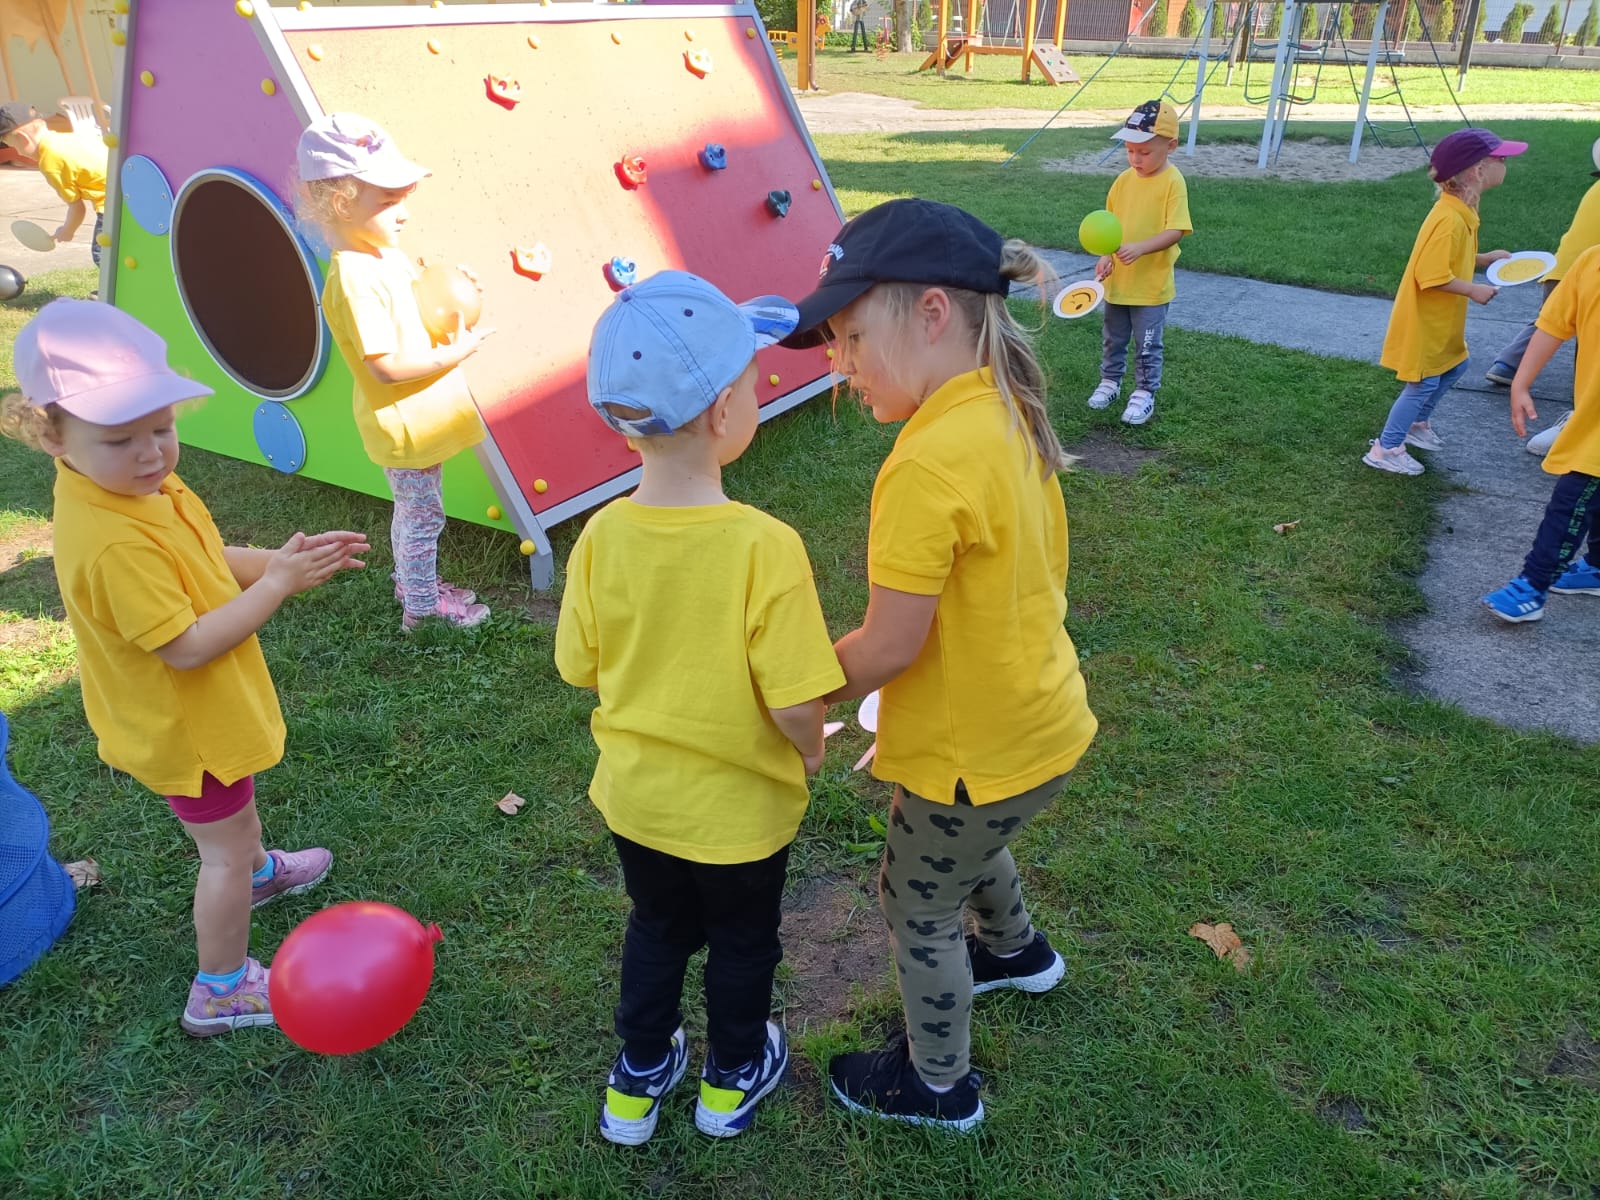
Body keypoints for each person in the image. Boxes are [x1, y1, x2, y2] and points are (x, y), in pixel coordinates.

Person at [780, 199, 1098, 1130]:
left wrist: (797, 690)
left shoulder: (925, 463)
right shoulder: (1004, 406)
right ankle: (1016, 953)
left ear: (930, 313)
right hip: (1040, 723)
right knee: (967, 847)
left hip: (974, 751)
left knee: (913, 900)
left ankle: (938, 1086)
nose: (840, 365)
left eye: (850, 338)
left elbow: (888, 645)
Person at [0, 300, 368, 1035]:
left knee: (238, 824)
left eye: (162, 429)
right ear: (52, 434)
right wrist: (275, 586)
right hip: (185, 729)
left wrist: (278, 563)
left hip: (201, 714)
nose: (151, 454)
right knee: (221, 852)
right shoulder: (111, 540)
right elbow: (187, 645)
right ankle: (220, 988)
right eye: (121, 439)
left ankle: (259, 874)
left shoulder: (132, 487)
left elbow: (203, 554)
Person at [555, 271, 844, 1145]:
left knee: (657, 928)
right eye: (752, 384)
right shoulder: (765, 546)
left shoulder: (601, 535)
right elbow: (795, 698)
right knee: (743, 941)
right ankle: (731, 1078)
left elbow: (578, 664)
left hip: (639, 803)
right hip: (741, 814)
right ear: (725, 413)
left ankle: (638, 1078)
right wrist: (811, 749)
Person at [295, 112, 492, 630]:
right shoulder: (356, 280)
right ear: (342, 204)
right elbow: (385, 366)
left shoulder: (384, 256)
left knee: (416, 511)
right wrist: (456, 354)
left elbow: (419, 307)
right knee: (424, 517)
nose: (404, 214)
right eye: (388, 202)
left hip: (420, 415)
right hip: (406, 421)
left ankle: (412, 582)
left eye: (404, 199)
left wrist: (455, 287)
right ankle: (422, 610)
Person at [1362, 128, 1523, 476]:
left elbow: (1449, 257)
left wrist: (1483, 259)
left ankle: (1416, 423)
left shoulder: (1459, 211)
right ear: (1478, 171)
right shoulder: (1449, 220)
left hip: (1441, 319)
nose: (1506, 164)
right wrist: (1474, 290)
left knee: (1456, 366)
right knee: (1422, 383)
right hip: (1425, 320)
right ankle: (1386, 448)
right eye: (1502, 159)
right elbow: (1430, 276)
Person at [1482, 243, 1600, 622]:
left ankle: (1532, 586)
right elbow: (1552, 324)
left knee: (1572, 499)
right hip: (1592, 418)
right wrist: (1521, 382)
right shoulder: (1591, 262)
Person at [1485, 144, 1600, 457]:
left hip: (1566, 269)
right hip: (1579, 275)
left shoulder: (1595, 191)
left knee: (1550, 323)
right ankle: (1580, 417)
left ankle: (1509, 364)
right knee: (1565, 329)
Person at [1086, 98, 1193, 427]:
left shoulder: (1172, 182)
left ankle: (1145, 392)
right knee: (1113, 337)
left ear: (1170, 145)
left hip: (1150, 287)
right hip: (1119, 283)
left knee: (1147, 344)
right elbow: (1110, 226)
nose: (1135, 158)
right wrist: (1106, 255)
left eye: (1144, 152)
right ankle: (1110, 382)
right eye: (1130, 150)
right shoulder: (1122, 181)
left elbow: (1176, 229)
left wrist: (1141, 249)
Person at [0, 101, 108, 266]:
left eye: (14, 146)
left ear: (24, 139)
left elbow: (77, 208)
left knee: (103, 256)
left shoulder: (51, 162)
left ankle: (118, 284)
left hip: (110, 205)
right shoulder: (68, 137)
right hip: (129, 190)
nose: (18, 153)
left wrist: (67, 231)